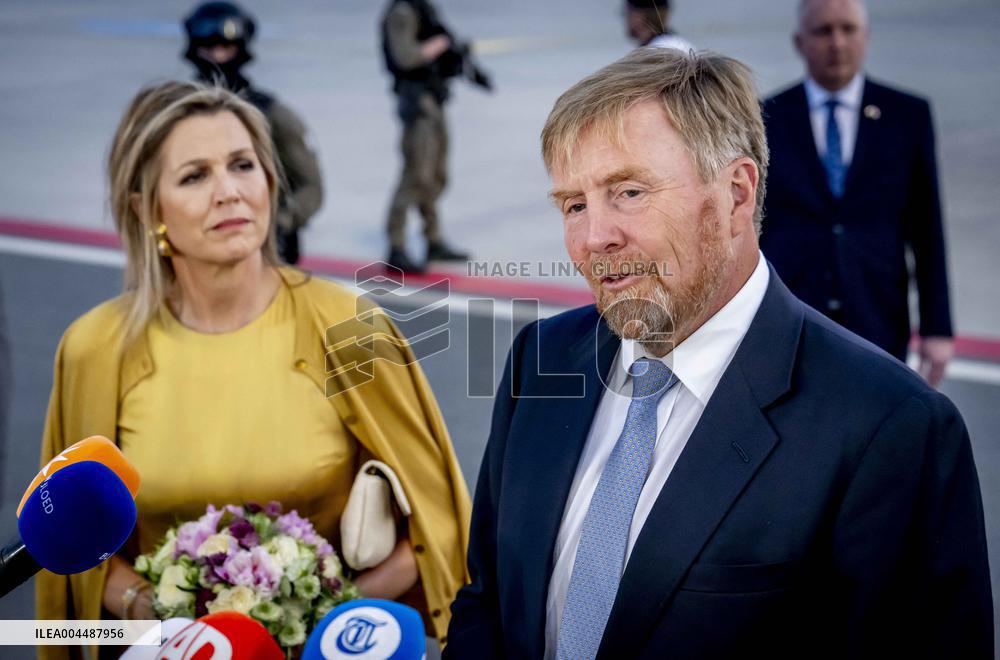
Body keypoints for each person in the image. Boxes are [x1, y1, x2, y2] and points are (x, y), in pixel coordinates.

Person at [445, 48, 991, 659]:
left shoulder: (891, 428)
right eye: (574, 204)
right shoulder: (539, 362)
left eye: (628, 191)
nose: (594, 237)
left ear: (735, 193)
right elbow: (488, 600)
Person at [35, 82, 470, 660]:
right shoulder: (94, 350)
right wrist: (160, 615)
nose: (229, 192)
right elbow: (72, 555)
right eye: (195, 176)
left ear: (269, 180)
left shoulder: (351, 326)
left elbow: (432, 526)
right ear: (146, 208)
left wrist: (310, 622)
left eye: (243, 165)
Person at [760, 0, 953, 386]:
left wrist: (937, 325)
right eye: (823, 31)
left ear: (866, 37)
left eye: (848, 29)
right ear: (800, 42)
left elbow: (926, 225)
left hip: (877, 310)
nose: (837, 42)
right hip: (793, 312)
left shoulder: (906, 115)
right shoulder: (766, 117)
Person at [183, 1, 323, 265]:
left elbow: (311, 186)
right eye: (209, 48)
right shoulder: (173, 115)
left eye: (225, 48)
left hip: (264, 254)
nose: (217, 57)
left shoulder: (272, 115)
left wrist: (279, 222)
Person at [381, 0, 491, 274]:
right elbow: (405, 56)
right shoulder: (402, 12)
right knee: (415, 175)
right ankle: (396, 246)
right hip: (417, 105)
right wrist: (438, 46)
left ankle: (433, 239)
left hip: (434, 101)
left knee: (436, 175)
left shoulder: (423, 9)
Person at [624, 0, 693, 52]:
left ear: (639, 16)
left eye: (627, 13)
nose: (625, 18)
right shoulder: (679, 44)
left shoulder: (660, 51)